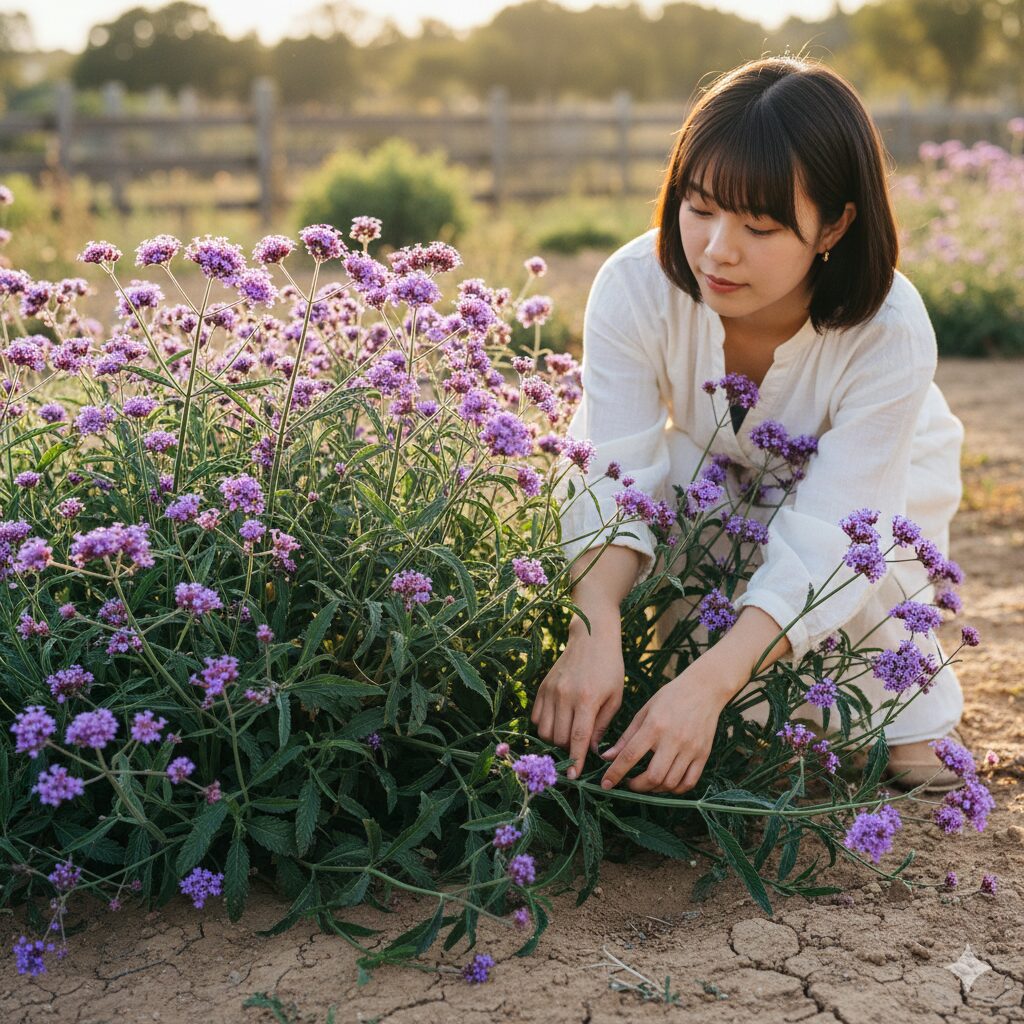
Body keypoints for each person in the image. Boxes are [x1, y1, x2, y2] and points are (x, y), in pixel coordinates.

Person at [530, 56, 966, 798]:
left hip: (875, 492)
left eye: (760, 226)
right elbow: (617, 467)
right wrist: (593, 625)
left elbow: (836, 530)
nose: (717, 250)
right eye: (698, 209)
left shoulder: (889, 327)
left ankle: (912, 721)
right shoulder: (635, 286)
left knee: (863, 574)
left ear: (834, 224)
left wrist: (710, 687)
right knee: (679, 617)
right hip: (717, 475)